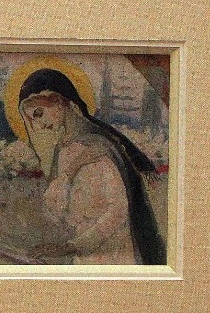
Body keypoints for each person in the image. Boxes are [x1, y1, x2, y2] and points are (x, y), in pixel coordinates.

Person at [18, 68, 165, 265]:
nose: (40, 125)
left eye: (39, 113)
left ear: (58, 101)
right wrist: (72, 169)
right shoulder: (63, 151)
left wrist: (70, 246)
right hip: (82, 254)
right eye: (33, 120)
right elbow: (54, 210)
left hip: (113, 254)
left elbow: (118, 212)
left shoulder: (97, 146)